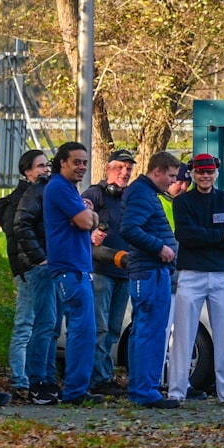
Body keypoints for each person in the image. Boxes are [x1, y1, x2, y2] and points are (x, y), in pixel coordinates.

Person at [170, 152, 224, 406]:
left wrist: (211, 236)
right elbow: (185, 235)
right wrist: (220, 235)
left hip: (221, 273)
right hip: (191, 273)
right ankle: (177, 391)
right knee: (184, 334)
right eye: (201, 172)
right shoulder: (182, 202)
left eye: (209, 172)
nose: (205, 176)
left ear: (216, 173)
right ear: (192, 173)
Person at [117, 150, 185, 409]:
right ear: (157, 171)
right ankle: (146, 391)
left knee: (144, 331)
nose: (172, 181)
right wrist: (160, 247)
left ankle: (141, 389)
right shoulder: (143, 193)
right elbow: (129, 228)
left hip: (149, 271)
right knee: (150, 331)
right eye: (170, 175)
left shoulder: (145, 193)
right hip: (150, 271)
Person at [44, 141, 104, 406]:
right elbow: (84, 222)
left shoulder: (69, 190)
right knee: (82, 330)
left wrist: (89, 215)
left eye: (84, 162)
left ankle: (78, 388)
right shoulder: (58, 187)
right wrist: (87, 216)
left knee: (87, 330)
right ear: (62, 163)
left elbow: (90, 221)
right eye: (76, 162)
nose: (81, 167)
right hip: (70, 267)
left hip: (79, 267)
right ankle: (75, 392)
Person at [0, 149, 58, 402]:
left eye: (47, 165)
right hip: (29, 269)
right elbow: (18, 231)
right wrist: (39, 258)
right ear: (27, 171)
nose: (46, 169)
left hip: (37, 266)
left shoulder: (43, 193)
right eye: (40, 166)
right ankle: (20, 379)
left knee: (44, 324)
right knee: (27, 323)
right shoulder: (20, 199)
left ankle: (36, 376)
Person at [82, 148, 136, 395]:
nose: (125, 173)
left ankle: (106, 375)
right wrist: (90, 234)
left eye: (129, 169)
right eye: (120, 168)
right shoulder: (95, 194)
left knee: (114, 328)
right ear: (108, 169)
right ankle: (98, 379)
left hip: (124, 272)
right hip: (101, 270)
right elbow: (77, 221)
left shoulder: (130, 198)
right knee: (100, 328)